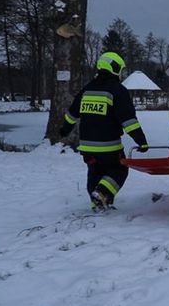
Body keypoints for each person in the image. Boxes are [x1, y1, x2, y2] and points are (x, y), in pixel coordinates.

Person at [59, 51, 149, 211]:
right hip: (109, 145)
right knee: (119, 170)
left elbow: (72, 114)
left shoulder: (87, 90)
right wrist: (141, 141)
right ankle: (102, 193)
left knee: (95, 172)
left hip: (87, 146)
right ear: (114, 68)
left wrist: (64, 130)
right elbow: (128, 121)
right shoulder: (117, 90)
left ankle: (98, 203)